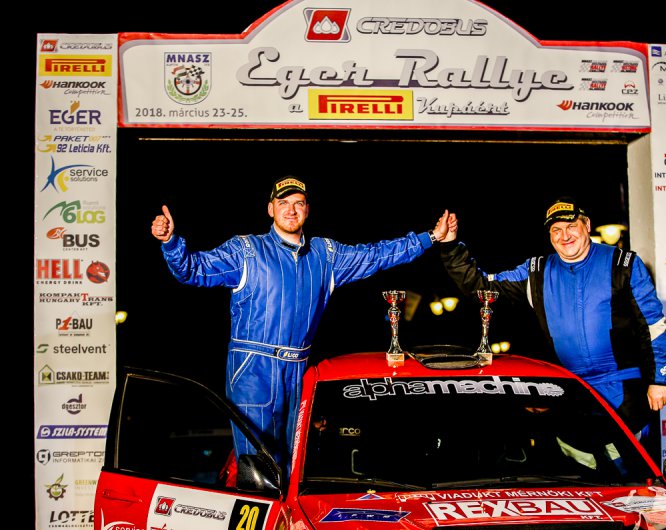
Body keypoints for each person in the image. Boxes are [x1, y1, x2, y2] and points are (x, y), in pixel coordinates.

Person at [151, 175, 450, 470]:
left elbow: (375, 255)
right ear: (270, 209)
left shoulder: (326, 255)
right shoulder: (246, 250)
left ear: (307, 209)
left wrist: (430, 237)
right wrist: (170, 243)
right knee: (258, 470)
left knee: (297, 467)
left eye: (298, 203)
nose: (291, 210)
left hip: (299, 370)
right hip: (253, 369)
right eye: (283, 203)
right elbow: (193, 269)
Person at [439, 197, 666, 436]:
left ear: (587, 225)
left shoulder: (623, 263)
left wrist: (659, 380)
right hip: (570, 391)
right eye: (556, 230)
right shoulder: (536, 272)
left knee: (623, 457)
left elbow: (652, 324)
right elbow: (482, 287)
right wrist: (450, 246)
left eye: (571, 226)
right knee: (575, 456)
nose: (565, 235)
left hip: (623, 390)